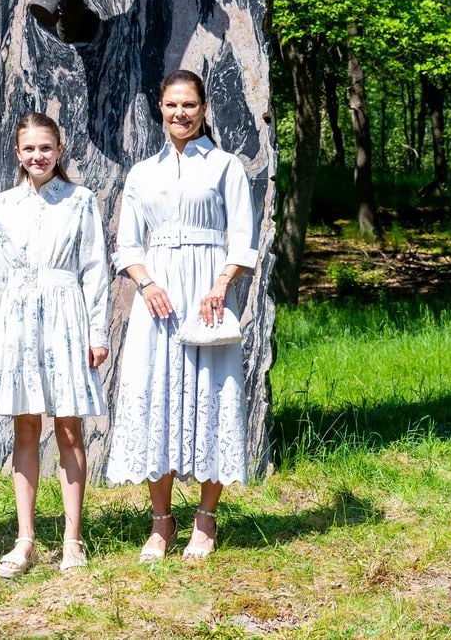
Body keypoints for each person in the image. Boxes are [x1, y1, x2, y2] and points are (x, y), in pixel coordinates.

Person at [105, 69, 258, 562]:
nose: (180, 113)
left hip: (208, 294)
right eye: (172, 105)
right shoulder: (142, 173)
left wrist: (221, 284)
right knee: (156, 396)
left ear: (204, 107)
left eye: (189, 105)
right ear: (160, 108)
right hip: (159, 298)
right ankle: (161, 523)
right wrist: (145, 283)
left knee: (211, 394)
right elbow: (127, 244)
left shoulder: (225, 166)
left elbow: (242, 237)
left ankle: (206, 521)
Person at [0, 112, 109, 578]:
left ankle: (72, 540)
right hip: (16, 320)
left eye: (46, 148)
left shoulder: (80, 201)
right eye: (29, 149)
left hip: (65, 317)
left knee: (69, 427)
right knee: (26, 427)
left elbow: (95, 268)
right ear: (18, 153)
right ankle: (26, 538)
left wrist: (98, 333)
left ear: (59, 151)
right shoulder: (3, 205)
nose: (38, 156)